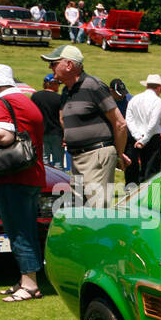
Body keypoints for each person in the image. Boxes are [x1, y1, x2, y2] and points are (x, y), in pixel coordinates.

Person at [0, 64, 47, 302]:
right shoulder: (26, 101)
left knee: (18, 230)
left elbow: (4, 137)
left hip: (12, 175)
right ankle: (28, 279)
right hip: (30, 173)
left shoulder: (1, 103)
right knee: (26, 228)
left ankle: (30, 284)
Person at [42, 43, 129, 208]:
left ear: (69, 65)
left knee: (96, 213)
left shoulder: (93, 85)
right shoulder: (66, 91)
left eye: (54, 63)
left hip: (96, 156)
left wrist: (119, 153)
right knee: (80, 212)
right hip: (77, 158)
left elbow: (120, 123)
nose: (50, 67)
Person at [123, 74, 161, 185]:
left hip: (134, 138)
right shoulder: (157, 101)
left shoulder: (134, 99)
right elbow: (153, 123)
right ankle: (152, 198)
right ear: (159, 88)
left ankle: (131, 196)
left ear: (146, 86)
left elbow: (129, 119)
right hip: (151, 138)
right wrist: (144, 140)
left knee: (132, 169)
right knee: (151, 171)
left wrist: (137, 136)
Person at [30, 73, 65, 169]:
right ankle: (60, 182)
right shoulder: (60, 98)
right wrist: (65, 135)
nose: (58, 86)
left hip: (40, 132)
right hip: (56, 133)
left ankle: (45, 182)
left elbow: (32, 115)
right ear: (52, 84)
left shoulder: (35, 96)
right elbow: (61, 118)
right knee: (58, 162)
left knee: (43, 161)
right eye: (58, 84)